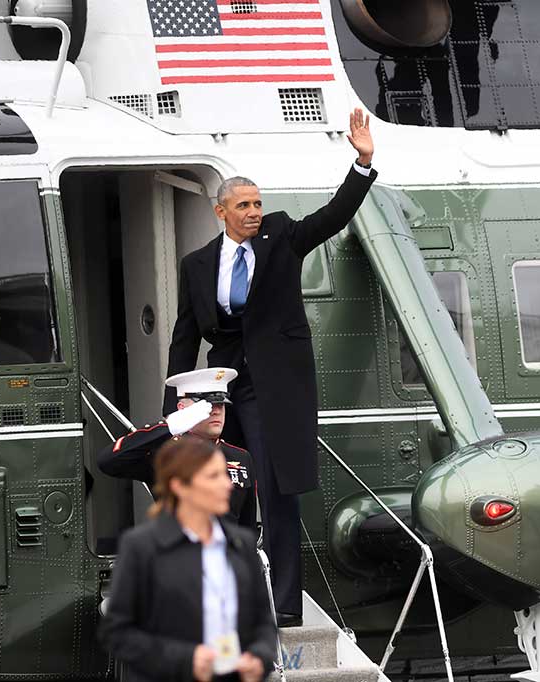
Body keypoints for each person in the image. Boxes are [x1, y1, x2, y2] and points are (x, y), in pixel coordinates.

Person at [163, 108, 377, 624]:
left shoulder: (281, 238)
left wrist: (362, 163)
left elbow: (333, 216)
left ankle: (283, 607)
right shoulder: (197, 264)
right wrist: (173, 409)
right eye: (243, 205)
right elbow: (185, 333)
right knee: (223, 488)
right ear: (221, 212)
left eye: (258, 202)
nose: (254, 211)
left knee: (276, 493)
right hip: (220, 387)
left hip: (272, 386)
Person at [99, 436, 277, 682]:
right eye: (213, 477)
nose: (227, 484)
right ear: (180, 486)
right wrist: (186, 659)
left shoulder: (241, 544)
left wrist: (259, 657)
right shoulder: (142, 547)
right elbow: (118, 633)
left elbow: (263, 623)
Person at [100, 368, 256, 529]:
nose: (216, 411)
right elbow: (108, 461)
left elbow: (246, 526)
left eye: (221, 405)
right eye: (207, 405)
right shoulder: (166, 453)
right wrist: (168, 427)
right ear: (182, 408)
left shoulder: (241, 457)